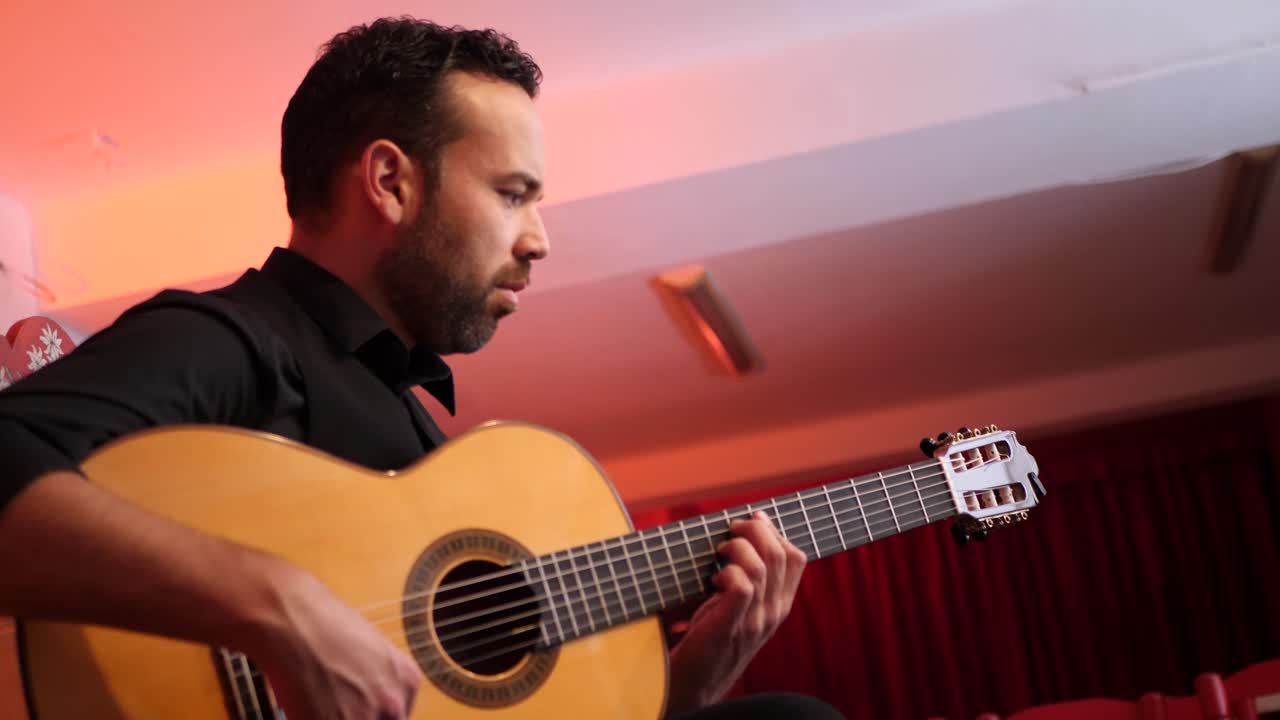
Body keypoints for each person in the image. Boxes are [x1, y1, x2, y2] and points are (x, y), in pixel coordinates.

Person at [0, 17, 844, 720]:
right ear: (389, 182)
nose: (539, 239)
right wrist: (275, 607)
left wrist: (695, 677)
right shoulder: (231, 338)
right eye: (514, 194)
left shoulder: (416, 436)